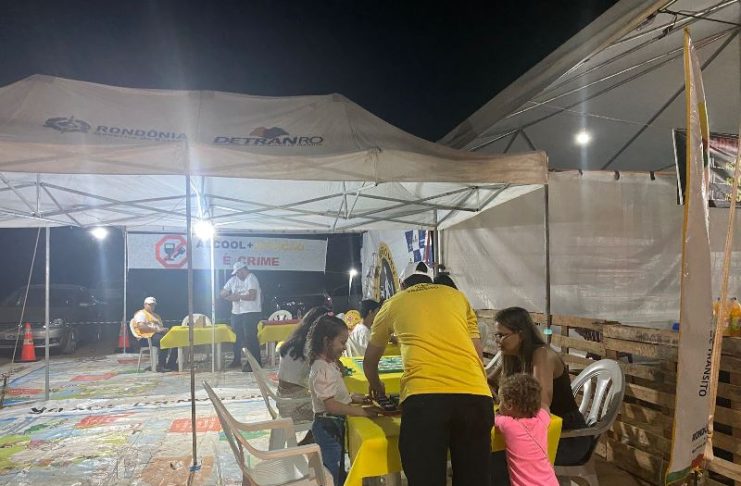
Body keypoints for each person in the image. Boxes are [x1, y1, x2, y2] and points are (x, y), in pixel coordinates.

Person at [364, 261, 493, 486]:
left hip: (425, 399)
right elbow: (477, 353)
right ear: (430, 280)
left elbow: (370, 361)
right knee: (474, 479)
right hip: (476, 397)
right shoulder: (457, 297)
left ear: (402, 284)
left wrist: (377, 385)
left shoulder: (393, 303)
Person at [487, 306, 591, 466]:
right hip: (536, 429)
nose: (498, 341)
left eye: (502, 335)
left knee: (495, 454)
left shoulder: (541, 355)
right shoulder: (511, 355)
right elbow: (489, 382)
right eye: (496, 335)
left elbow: (540, 406)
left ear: (521, 334)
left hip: (565, 434)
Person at [306, 313, 381, 486]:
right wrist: (361, 412)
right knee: (333, 470)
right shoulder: (321, 369)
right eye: (342, 342)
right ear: (326, 341)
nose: (345, 347)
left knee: (338, 466)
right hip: (327, 426)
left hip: (333, 424)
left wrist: (352, 397)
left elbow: (335, 394)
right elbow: (331, 405)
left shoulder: (329, 364)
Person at [276, 305, 331, 444]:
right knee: (333, 410)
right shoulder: (310, 346)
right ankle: (312, 443)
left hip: (283, 398)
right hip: (294, 405)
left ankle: (308, 440)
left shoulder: (295, 341)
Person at [495, 373, 558, 486]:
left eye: (500, 401)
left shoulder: (508, 425)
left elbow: (490, 418)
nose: (499, 405)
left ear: (509, 405)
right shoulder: (542, 420)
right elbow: (545, 408)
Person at [220, 261, 262, 372]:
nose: (237, 275)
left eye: (238, 272)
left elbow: (252, 296)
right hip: (237, 313)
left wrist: (238, 297)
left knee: (250, 337)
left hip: (250, 312)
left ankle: (254, 362)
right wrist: (227, 295)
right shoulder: (233, 280)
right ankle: (237, 360)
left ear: (243, 270)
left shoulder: (251, 278)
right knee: (237, 337)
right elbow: (222, 292)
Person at [130, 296, 177, 371]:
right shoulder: (141, 314)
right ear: (145, 305)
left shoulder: (156, 316)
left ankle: (171, 364)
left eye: (153, 305)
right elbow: (142, 327)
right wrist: (157, 330)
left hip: (156, 336)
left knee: (176, 340)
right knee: (164, 340)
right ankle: (161, 366)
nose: (152, 306)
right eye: (150, 304)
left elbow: (160, 328)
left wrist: (164, 330)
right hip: (145, 338)